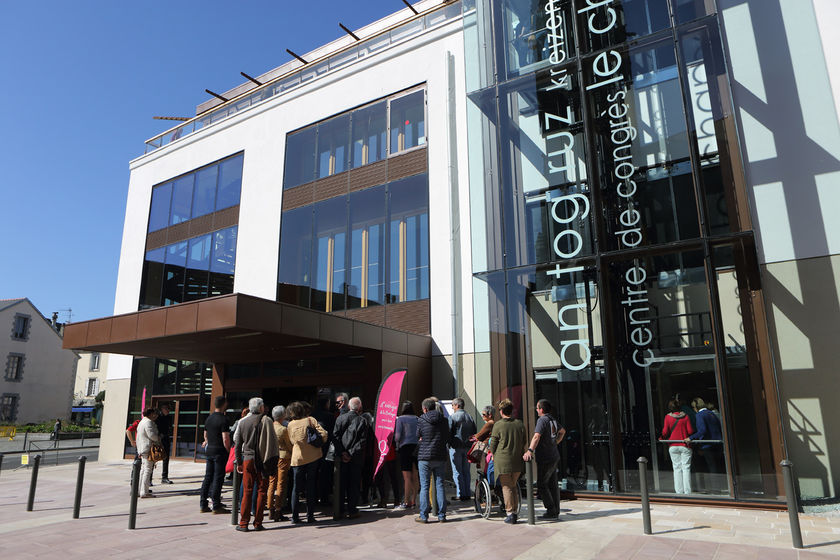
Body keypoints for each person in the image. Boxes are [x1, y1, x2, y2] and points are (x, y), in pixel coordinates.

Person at [234, 397, 278, 532]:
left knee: (247, 491)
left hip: (247, 459)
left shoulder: (243, 422)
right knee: (262, 491)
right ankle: (258, 523)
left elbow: (237, 445)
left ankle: (243, 524)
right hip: (263, 460)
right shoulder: (267, 421)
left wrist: (239, 461)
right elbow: (272, 442)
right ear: (260, 408)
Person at [284, 401, 328, 524]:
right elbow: (323, 434)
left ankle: (295, 517)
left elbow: (292, 441)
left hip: (298, 458)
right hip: (313, 456)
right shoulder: (310, 420)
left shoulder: (290, 424)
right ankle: (310, 516)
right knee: (311, 486)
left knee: (296, 488)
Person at [523, 399, 566, 520]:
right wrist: (555, 442)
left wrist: (530, 450)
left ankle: (551, 510)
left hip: (546, 457)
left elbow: (536, 436)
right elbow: (562, 431)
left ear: (541, 409)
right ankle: (555, 510)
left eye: (537, 408)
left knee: (542, 484)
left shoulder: (542, 420)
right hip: (554, 455)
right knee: (552, 484)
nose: (536, 410)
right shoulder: (552, 419)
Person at [489, 399, 527, 524]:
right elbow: (524, 441)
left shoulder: (498, 425)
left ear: (501, 411)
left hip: (502, 461)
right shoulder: (519, 424)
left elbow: (493, 444)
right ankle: (515, 512)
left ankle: (510, 513)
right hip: (517, 460)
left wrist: (492, 454)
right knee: (513, 486)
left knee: (506, 487)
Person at [416, 397, 450, 523]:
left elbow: (417, 435)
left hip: (424, 457)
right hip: (440, 456)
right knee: (440, 485)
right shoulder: (444, 420)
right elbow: (447, 436)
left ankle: (424, 516)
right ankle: (442, 516)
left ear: (425, 409)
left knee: (425, 486)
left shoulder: (421, 420)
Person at [333, 396, 368, 518]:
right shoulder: (362, 421)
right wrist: (351, 453)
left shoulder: (340, 419)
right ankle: (352, 510)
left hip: (341, 459)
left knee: (341, 484)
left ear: (349, 406)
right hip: (355, 458)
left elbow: (335, 437)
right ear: (360, 407)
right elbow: (362, 441)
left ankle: (340, 509)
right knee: (354, 484)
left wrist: (342, 452)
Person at [199, 396, 231, 513]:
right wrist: (228, 450)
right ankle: (216, 505)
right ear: (224, 404)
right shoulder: (224, 419)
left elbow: (205, 435)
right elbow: (225, 438)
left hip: (210, 451)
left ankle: (203, 504)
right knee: (218, 477)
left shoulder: (209, 418)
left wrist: (208, 442)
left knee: (208, 477)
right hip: (219, 451)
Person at [688, 397, 723, 491]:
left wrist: (691, 438)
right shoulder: (712, 413)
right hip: (717, 443)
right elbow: (719, 427)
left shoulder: (700, 415)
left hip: (707, 444)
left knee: (710, 466)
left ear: (696, 407)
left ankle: (715, 489)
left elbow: (702, 430)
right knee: (717, 466)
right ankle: (718, 487)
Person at [661, 399, 694, 494]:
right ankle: (687, 491)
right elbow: (690, 431)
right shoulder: (685, 416)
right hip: (684, 444)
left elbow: (665, 432)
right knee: (686, 468)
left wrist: (661, 437)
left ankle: (679, 491)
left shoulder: (667, 417)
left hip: (673, 445)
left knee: (676, 468)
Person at [448, 397, 477, 501]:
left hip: (456, 448)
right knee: (466, 471)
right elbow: (474, 432)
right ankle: (467, 493)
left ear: (457, 405)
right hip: (468, 447)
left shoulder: (453, 417)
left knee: (457, 471)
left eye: (452, 405)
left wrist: (449, 444)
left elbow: (449, 433)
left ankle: (460, 494)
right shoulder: (469, 417)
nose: (452, 407)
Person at [268, 405, 292, 521]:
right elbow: (288, 445)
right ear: (283, 416)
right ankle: (278, 510)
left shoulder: (269, 427)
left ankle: (270, 509)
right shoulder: (283, 429)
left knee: (272, 482)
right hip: (283, 457)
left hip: (272, 457)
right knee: (281, 483)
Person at [394, 401, 419, 510]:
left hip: (405, 448)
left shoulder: (400, 419)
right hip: (416, 448)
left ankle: (406, 502)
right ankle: (414, 500)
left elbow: (397, 436)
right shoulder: (417, 418)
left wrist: (396, 443)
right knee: (415, 475)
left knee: (407, 477)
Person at [135, 407, 160, 498]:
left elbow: (138, 437)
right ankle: (144, 492)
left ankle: (138, 490)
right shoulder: (148, 422)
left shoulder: (141, 422)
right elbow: (152, 435)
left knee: (143, 470)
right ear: (150, 414)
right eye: (154, 413)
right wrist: (158, 438)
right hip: (148, 449)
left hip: (142, 449)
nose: (155, 415)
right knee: (147, 470)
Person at [155, 403, 173, 484]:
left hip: (166, 439)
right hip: (159, 439)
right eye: (166, 409)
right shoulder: (158, 417)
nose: (168, 411)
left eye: (169, 409)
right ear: (162, 409)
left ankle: (164, 477)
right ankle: (149, 478)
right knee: (154, 457)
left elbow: (170, 427)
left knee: (166, 458)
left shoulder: (169, 417)